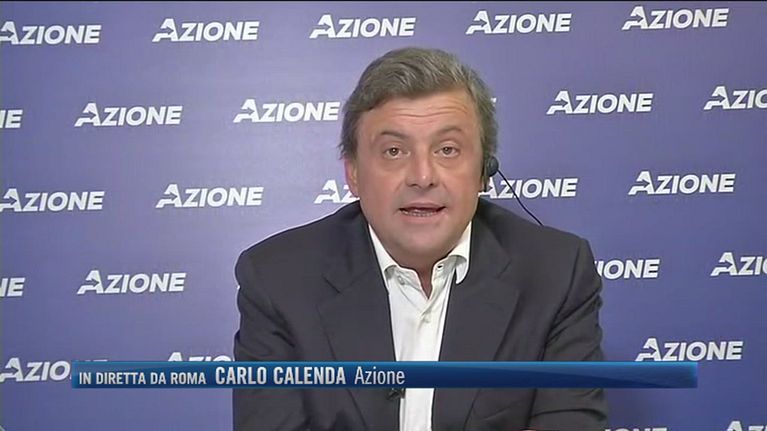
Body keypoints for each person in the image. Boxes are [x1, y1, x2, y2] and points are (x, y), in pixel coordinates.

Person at [233, 47, 608, 431]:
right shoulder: (278, 279)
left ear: (483, 171)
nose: (422, 176)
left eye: (447, 150)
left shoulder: (556, 274)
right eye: (394, 151)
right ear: (354, 173)